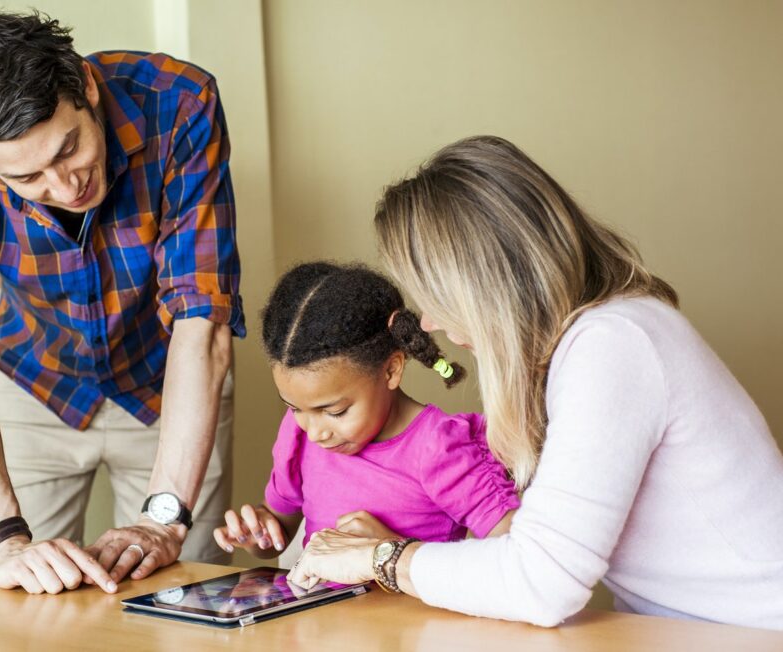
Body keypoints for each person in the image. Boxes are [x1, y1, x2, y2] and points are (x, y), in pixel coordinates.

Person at [288, 136, 783, 630]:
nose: (432, 323)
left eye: (436, 299)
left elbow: (541, 583)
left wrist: (382, 558)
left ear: (486, 287)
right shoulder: (592, 343)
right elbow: (533, 552)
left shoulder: (613, 346)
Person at [0, 10, 244, 595]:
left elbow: (201, 316)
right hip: (34, 384)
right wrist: (1, 538)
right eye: (27, 178)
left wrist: (163, 519)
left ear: (85, 86)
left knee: (189, 606)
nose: (65, 188)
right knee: (25, 602)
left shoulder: (181, 102)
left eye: (69, 150)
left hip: (168, 386)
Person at [213, 263, 519, 567]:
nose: (316, 431)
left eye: (335, 411)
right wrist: (259, 534)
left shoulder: (440, 448)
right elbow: (280, 522)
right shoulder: (298, 433)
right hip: (318, 613)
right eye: (294, 408)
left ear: (391, 370)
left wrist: (393, 551)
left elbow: (518, 558)